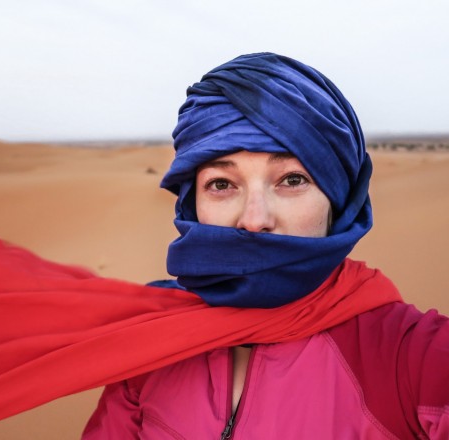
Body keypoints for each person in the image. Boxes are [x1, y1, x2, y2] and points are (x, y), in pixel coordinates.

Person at [82, 53, 449, 438]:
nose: (255, 219)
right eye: (222, 184)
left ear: (338, 201)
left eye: (291, 180)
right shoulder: (150, 348)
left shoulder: (409, 358)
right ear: (193, 205)